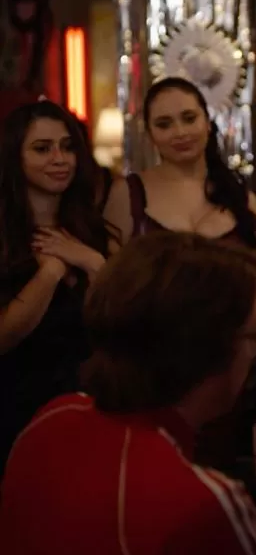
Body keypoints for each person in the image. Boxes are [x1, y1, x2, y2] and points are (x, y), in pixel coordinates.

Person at [0, 232, 256, 554]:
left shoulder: (51, 419)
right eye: (255, 336)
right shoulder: (201, 504)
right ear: (209, 353)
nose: (255, 353)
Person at [103, 77, 256, 471]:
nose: (179, 132)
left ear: (208, 123)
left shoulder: (241, 199)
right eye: (164, 124)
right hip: (156, 376)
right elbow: (114, 297)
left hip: (234, 373)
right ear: (150, 135)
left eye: (188, 118)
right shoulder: (128, 195)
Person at [0, 100, 116, 475]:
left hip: (89, 408)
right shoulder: (6, 239)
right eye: (42, 148)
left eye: (67, 147)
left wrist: (93, 263)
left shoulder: (92, 232)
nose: (59, 158)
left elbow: (125, 322)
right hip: (16, 412)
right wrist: (50, 272)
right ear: (14, 157)